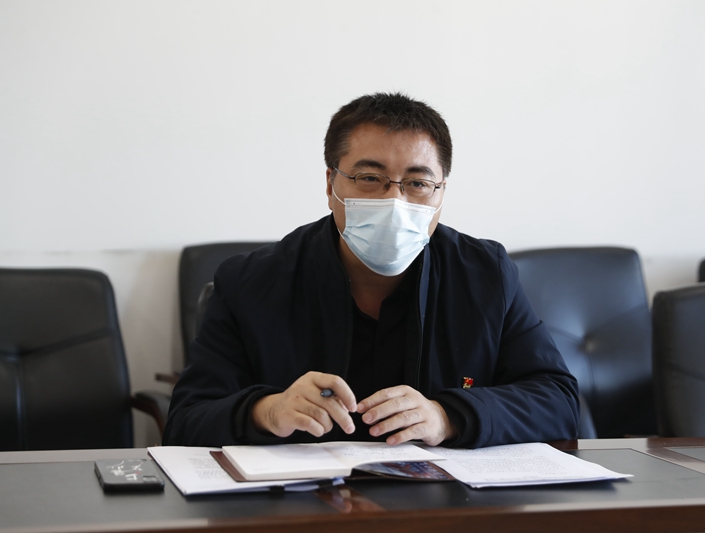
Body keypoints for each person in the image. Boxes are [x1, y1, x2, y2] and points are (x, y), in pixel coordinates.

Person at [163, 93, 579, 449]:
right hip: (302, 504)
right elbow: (185, 421)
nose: (393, 201)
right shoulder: (250, 282)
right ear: (331, 184)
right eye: (369, 178)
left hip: (443, 504)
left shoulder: (486, 274)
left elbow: (558, 402)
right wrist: (265, 411)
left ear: (441, 193)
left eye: (417, 183)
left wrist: (448, 416)